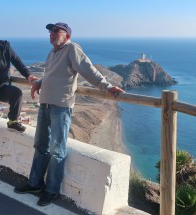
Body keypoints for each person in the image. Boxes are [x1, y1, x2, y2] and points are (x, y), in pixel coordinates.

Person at [14, 22, 125, 206]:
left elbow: (88, 70)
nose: (52, 34)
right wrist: (39, 82)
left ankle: (51, 190)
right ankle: (34, 184)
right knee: (40, 145)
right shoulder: (53, 53)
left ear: (67, 35)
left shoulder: (72, 48)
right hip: (45, 105)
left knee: (57, 150)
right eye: (50, 31)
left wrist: (107, 86)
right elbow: (51, 74)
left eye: (57, 31)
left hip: (61, 107)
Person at [0, 24, 37, 167]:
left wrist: (29, 76)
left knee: (17, 94)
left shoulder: (4, 47)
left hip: (2, 88)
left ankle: (12, 121)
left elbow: (18, 62)